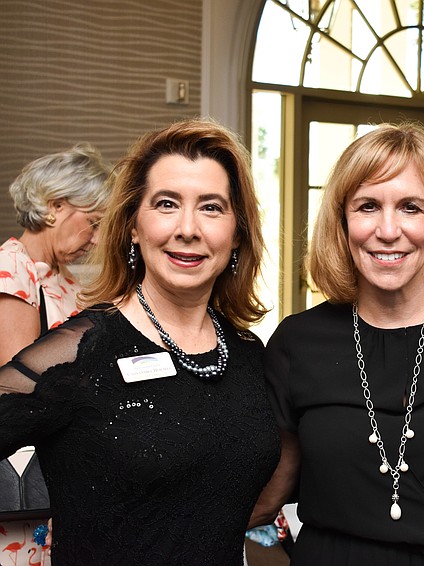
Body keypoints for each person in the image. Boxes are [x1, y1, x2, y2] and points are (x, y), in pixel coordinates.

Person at [0, 119, 281, 565]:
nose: (187, 228)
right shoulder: (80, 353)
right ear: (133, 225)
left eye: (211, 207)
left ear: (237, 233)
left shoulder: (248, 353)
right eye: (167, 204)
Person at [256, 122, 424, 565]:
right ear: (342, 221)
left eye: (411, 207)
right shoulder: (297, 343)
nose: (388, 230)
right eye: (368, 206)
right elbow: (268, 491)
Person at [0, 144, 112, 364]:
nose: (98, 240)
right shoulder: (10, 270)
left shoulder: (63, 276)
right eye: (94, 223)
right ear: (55, 206)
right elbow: (19, 379)